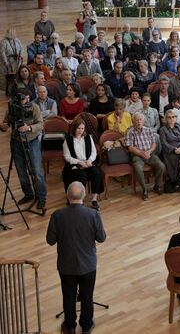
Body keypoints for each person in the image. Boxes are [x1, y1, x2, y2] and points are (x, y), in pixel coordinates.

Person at [46, 181, 106, 334]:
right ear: (84, 195)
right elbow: (101, 238)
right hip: (88, 265)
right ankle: (86, 326)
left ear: (67, 196)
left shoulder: (57, 215)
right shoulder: (93, 214)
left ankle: (70, 326)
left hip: (66, 265)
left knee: (69, 296)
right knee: (87, 296)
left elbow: (50, 240)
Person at [0, 90, 47, 211]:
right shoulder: (12, 109)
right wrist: (4, 126)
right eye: (23, 99)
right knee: (21, 171)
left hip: (32, 141)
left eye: (27, 98)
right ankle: (28, 194)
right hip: (16, 142)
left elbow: (41, 125)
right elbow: (6, 124)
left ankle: (41, 197)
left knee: (37, 172)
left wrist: (29, 127)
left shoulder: (34, 108)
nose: (26, 101)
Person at [62, 119, 104, 209]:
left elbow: (94, 152)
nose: (80, 131)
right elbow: (67, 157)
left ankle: (94, 199)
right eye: (78, 128)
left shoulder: (88, 137)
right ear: (74, 128)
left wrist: (89, 160)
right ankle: (80, 201)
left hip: (88, 162)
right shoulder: (68, 140)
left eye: (82, 128)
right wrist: (79, 162)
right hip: (75, 164)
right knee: (81, 176)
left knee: (96, 173)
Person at [125, 112, 165, 200]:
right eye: (136, 120)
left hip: (149, 153)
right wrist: (141, 153)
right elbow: (130, 148)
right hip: (137, 156)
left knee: (161, 166)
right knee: (138, 169)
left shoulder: (148, 130)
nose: (139, 122)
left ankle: (157, 186)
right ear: (133, 121)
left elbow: (154, 143)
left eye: (140, 120)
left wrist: (149, 151)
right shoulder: (129, 132)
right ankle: (144, 190)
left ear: (143, 121)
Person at [160, 109, 180, 195]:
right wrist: (175, 149)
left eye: (173, 117)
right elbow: (164, 143)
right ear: (166, 119)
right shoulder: (163, 129)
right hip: (170, 152)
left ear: (176, 118)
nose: (171, 119)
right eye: (169, 117)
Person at [0, 28, 23, 92]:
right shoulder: (3, 42)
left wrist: (20, 55)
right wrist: (5, 62)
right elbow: (2, 53)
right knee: (9, 77)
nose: (16, 34)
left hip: (17, 61)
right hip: (8, 63)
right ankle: (9, 90)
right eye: (14, 33)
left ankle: (17, 89)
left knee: (17, 75)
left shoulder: (17, 40)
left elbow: (21, 48)